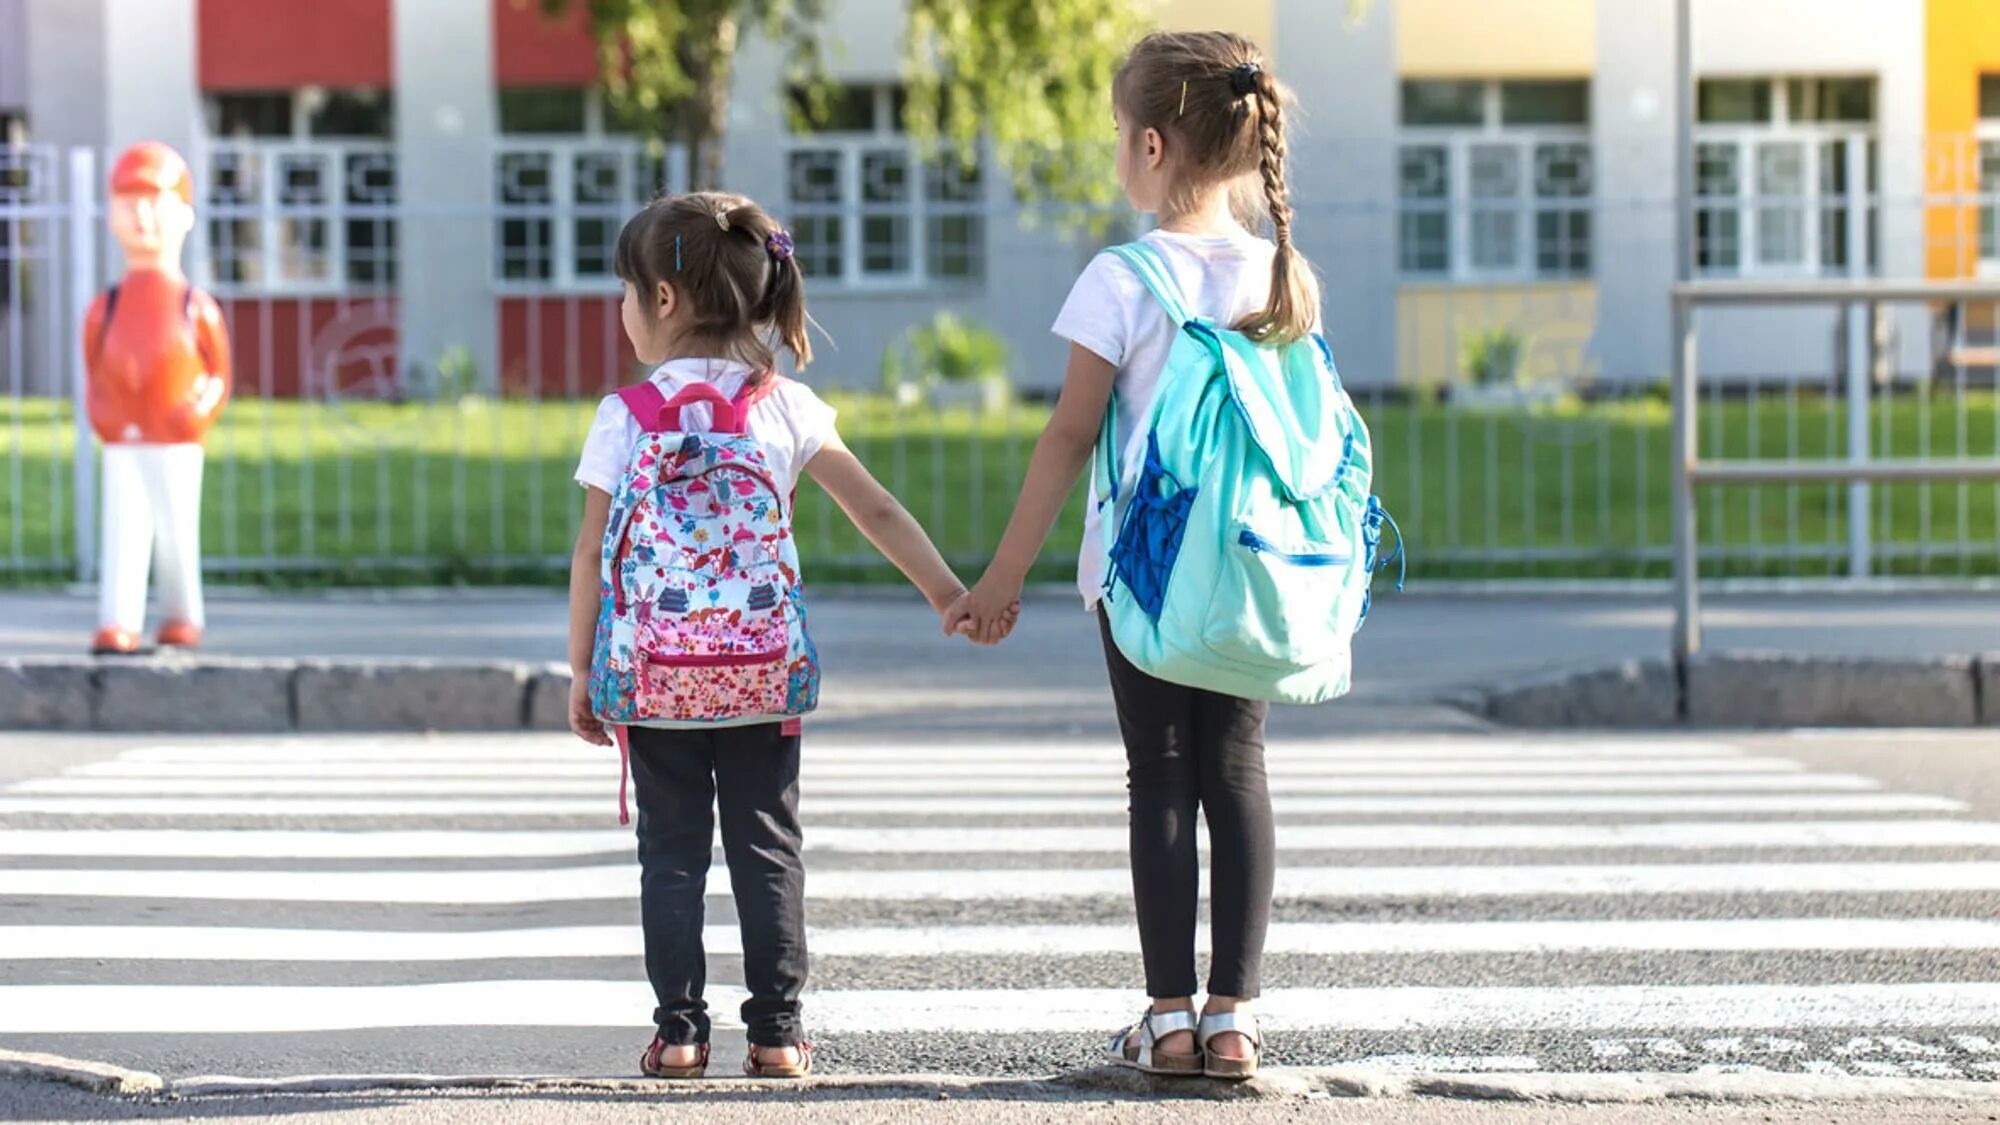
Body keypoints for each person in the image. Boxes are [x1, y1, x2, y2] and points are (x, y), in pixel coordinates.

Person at [945, 30, 1323, 1081]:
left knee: (1157, 776)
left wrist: (1001, 577)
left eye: (1119, 133)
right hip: (1250, 567)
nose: (1117, 149)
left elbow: (1069, 437)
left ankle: (1164, 1019)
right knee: (1236, 770)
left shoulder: (1122, 277)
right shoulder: (1279, 273)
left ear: (1151, 145)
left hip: (1142, 576)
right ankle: (1233, 1018)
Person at [566, 191, 987, 1079]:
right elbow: (873, 505)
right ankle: (779, 1032)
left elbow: (591, 554)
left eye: (625, 290)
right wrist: (948, 591)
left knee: (671, 856)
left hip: (655, 680)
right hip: (760, 676)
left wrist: (582, 671)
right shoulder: (785, 405)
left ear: (667, 300)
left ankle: (680, 1032)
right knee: (766, 845)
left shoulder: (625, 414)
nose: (621, 307)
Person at [84, 142, 232, 655]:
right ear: (112, 217)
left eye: (155, 203)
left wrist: (197, 412)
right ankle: (118, 619)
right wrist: (104, 415)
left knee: (176, 532)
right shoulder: (107, 306)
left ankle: (181, 615)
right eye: (129, 204)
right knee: (123, 529)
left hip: (176, 438)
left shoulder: (196, 306)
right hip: (124, 438)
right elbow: (94, 368)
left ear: (184, 216)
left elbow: (218, 373)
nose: (143, 217)